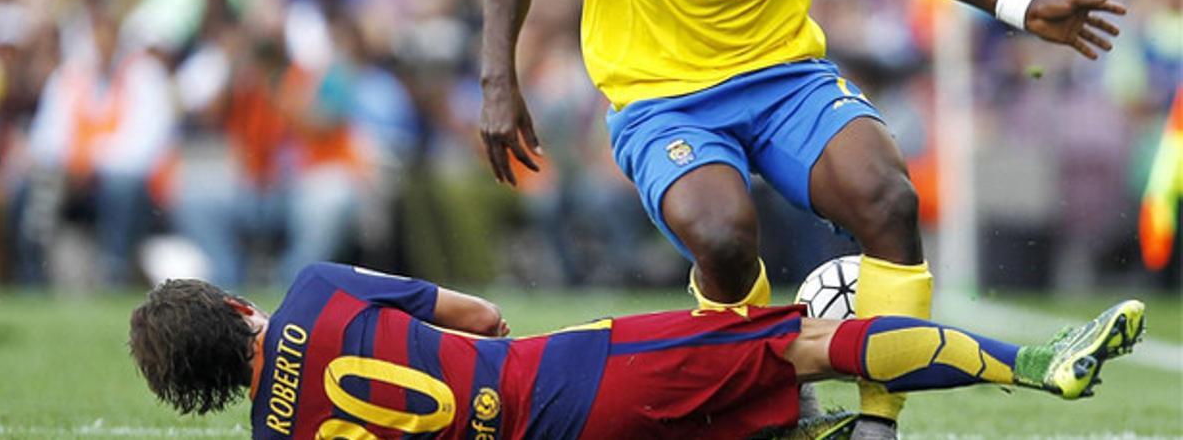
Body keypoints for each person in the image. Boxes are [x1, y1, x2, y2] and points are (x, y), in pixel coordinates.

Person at [477, 0, 1127, 436]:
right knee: (725, 238)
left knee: (888, 198)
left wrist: (1019, 4)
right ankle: (764, 408)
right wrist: (499, 80)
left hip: (785, 79)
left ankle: (878, 424)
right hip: (663, 98)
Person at [128, 261, 1145, 440]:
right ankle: (1036, 362)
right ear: (233, 305)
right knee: (808, 345)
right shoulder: (314, 295)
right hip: (562, 381)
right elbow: (480, 319)